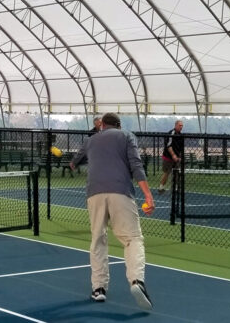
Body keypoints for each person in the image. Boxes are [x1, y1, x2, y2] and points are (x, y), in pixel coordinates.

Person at [69, 113, 155, 310]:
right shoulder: (127, 136)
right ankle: (136, 282)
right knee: (132, 238)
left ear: (102, 125)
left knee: (98, 239)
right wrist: (148, 195)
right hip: (121, 191)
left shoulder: (90, 141)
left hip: (94, 194)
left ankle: (98, 289)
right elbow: (136, 165)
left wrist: (73, 163)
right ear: (119, 125)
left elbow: (75, 162)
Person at [158, 120, 184, 194]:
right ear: (175, 125)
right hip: (168, 157)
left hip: (176, 158)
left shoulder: (181, 135)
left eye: (182, 126)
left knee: (176, 173)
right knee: (167, 172)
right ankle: (161, 187)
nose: (181, 127)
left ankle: (175, 188)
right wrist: (173, 155)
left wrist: (179, 156)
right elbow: (168, 145)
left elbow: (181, 148)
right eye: (180, 125)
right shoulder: (171, 133)